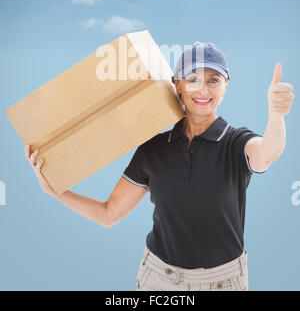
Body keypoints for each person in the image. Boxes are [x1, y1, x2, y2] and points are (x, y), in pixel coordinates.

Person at [24, 42, 294, 291]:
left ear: (225, 87)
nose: (203, 89)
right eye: (193, 79)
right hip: (159, 279)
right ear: (177, 85)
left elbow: (268, 152)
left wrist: (276, 115)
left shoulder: (236, 142)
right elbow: (109, 214)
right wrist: (55, 191)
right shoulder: (154, 148)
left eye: (214, 80)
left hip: (222, 282)